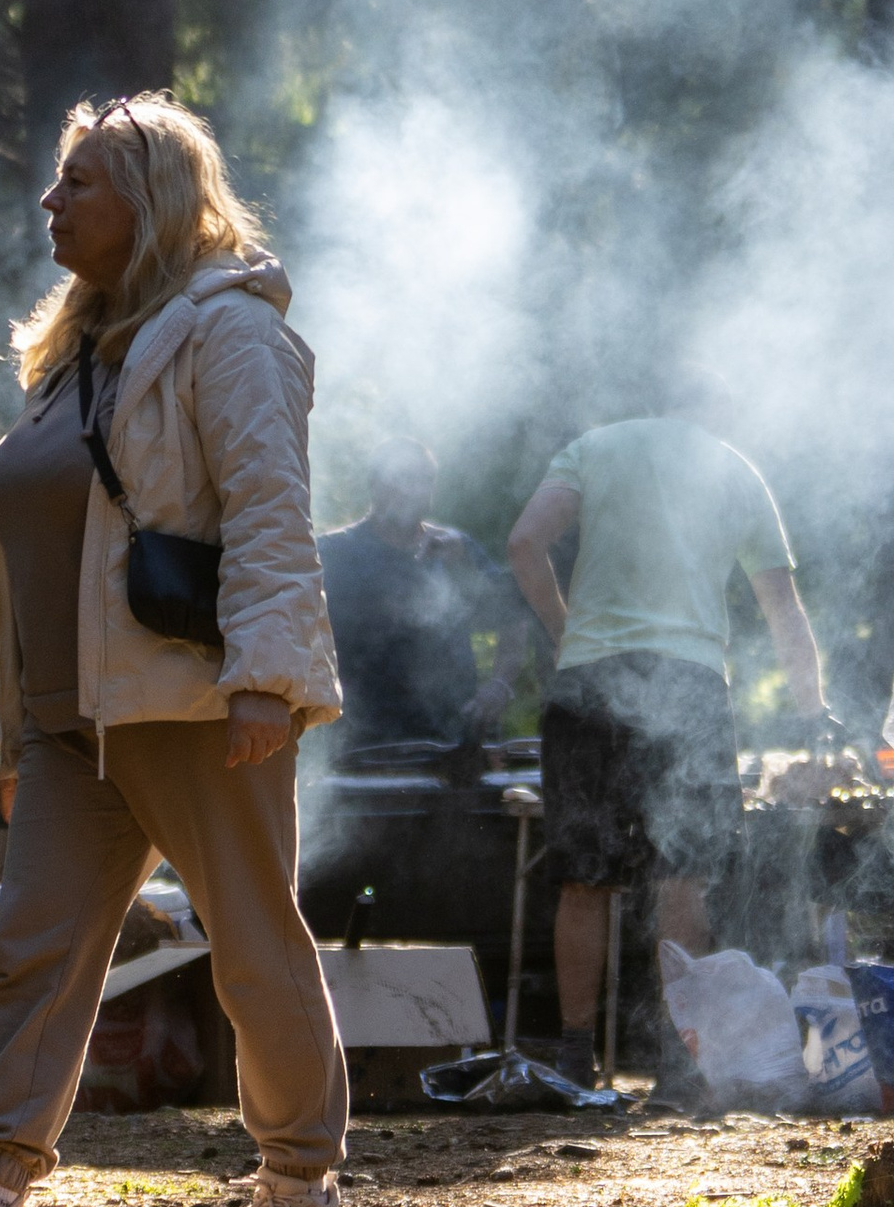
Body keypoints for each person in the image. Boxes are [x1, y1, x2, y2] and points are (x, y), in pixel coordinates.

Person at [0, 93, 356, 1207]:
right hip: (76, 723)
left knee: (248, 943)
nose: (51, 200)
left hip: (195, 702)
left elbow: (272, 513)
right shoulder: (74, 350)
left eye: (79, 182)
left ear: (153, 200)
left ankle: (300, 1192)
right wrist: (17, 734)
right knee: (29, 951)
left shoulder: (230, 333)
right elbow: (31, 566)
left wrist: (267, 682)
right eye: (56, 179)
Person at [507, 409, 834, 1093]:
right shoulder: (735, 469)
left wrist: (569, 635)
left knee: (583, 878)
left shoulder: (591, 447)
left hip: (589, 682)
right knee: (680, 875)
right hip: (688, 685)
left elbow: (524, 543)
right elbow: (784, 609)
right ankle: (680, 1063)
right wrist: (812, 714)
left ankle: (574, 1058)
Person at [319, 435, 532, 749]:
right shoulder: (334, 552)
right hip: (358, 737)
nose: (416, 489)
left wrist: (499, 686)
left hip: (451, 734)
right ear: (374, 484)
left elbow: (512, 615)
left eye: (425, 480)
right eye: (404, 478)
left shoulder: (456, 549)